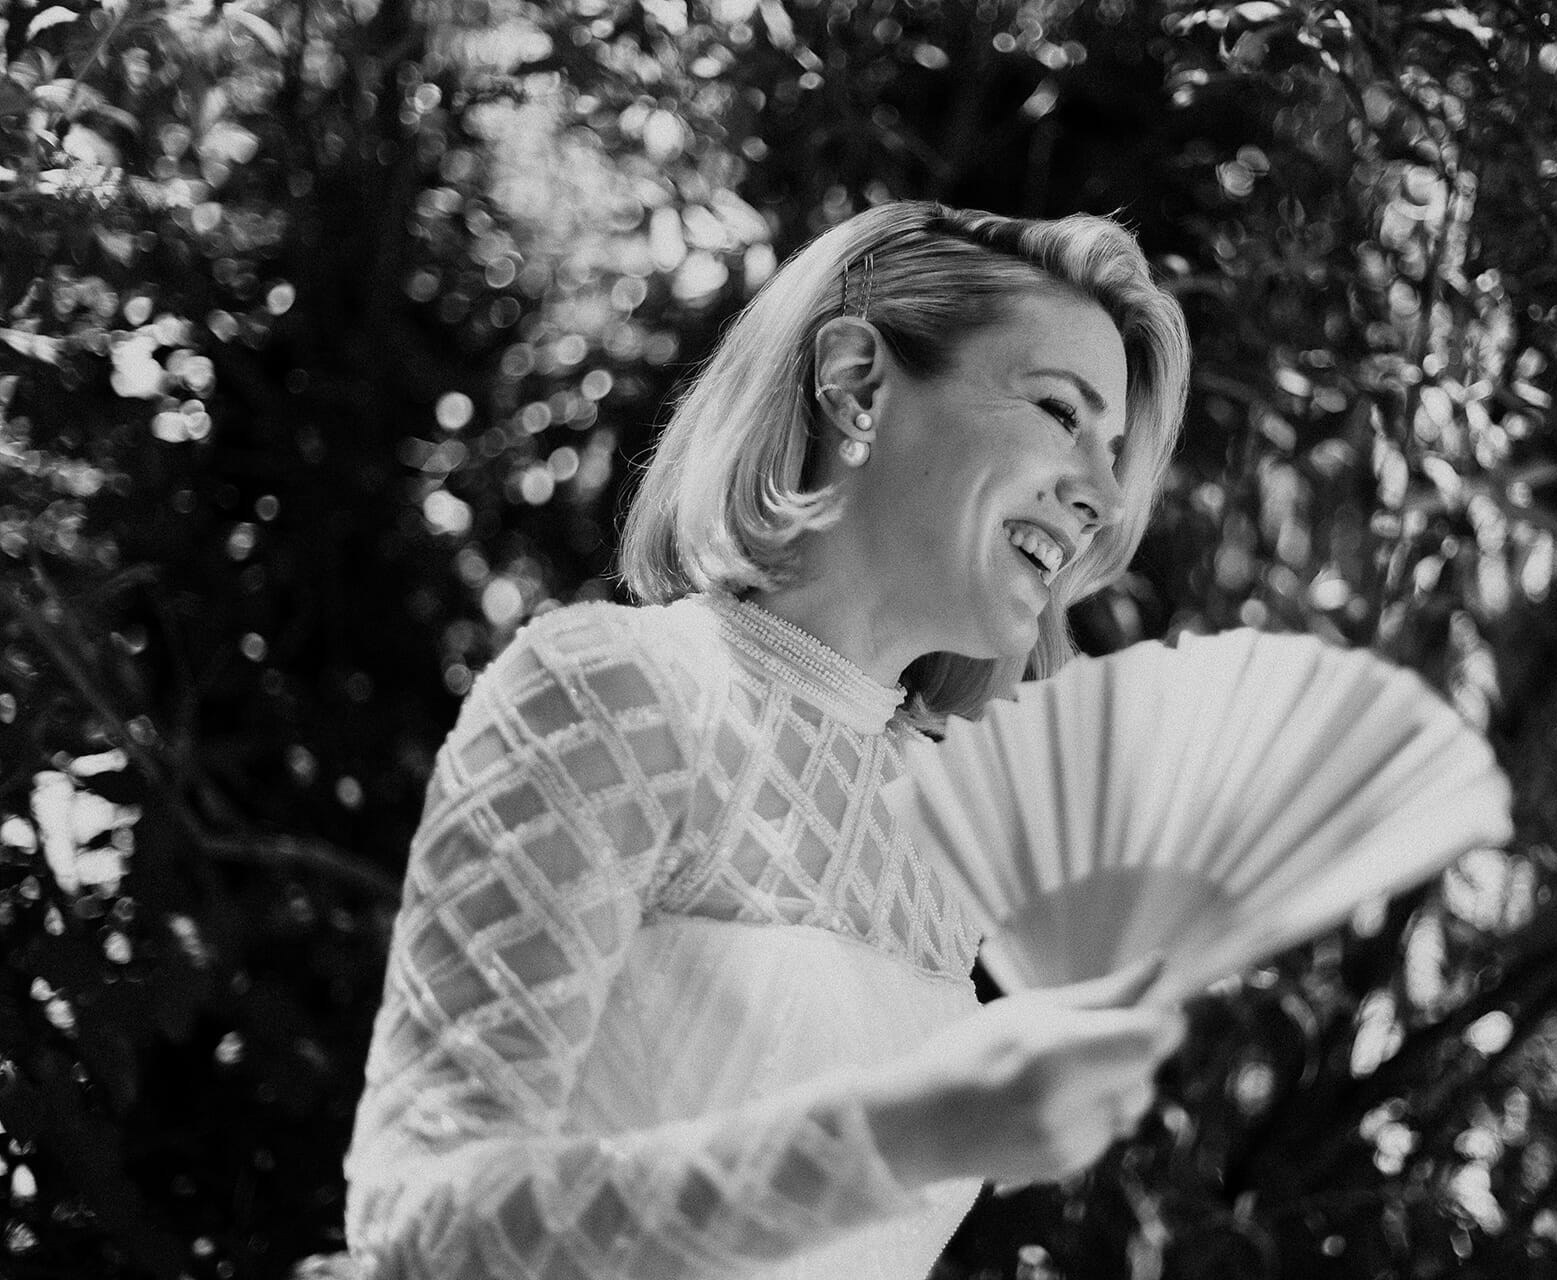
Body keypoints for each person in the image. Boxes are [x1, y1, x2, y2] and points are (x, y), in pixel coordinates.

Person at [342, 201, 1194, 1279]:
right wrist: (904, 1132)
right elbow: (420, 1222)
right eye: (1057, 411)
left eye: (1114, 452)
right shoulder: (619, 693)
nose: (1105, 499)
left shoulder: (944, 839)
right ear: (854, 383)